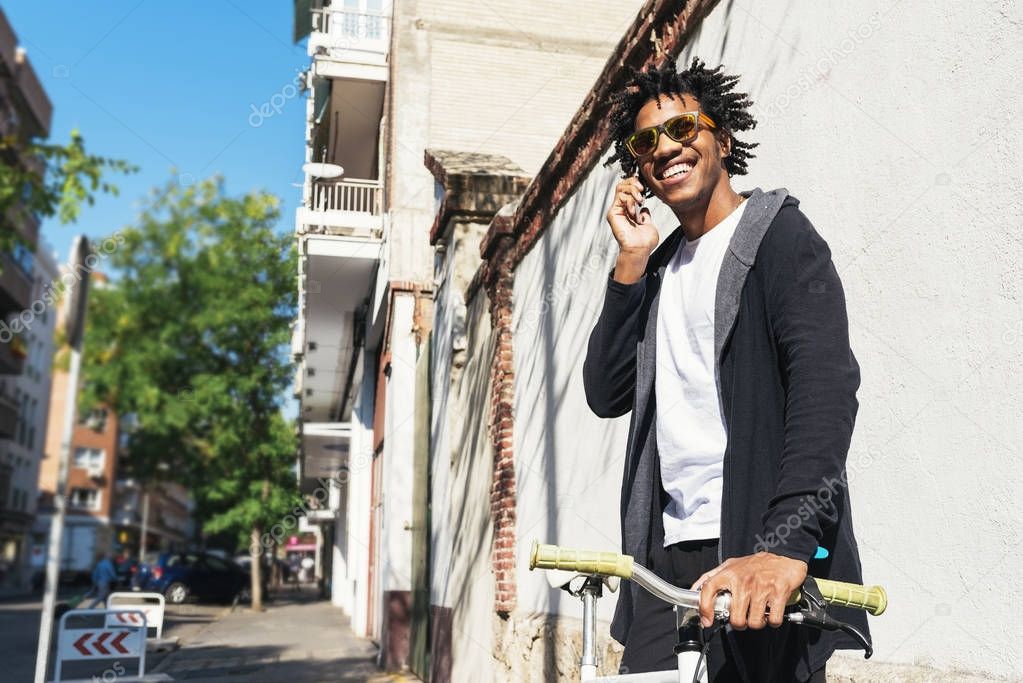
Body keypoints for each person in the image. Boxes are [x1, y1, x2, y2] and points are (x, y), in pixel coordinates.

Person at [583, 58, 869, 682]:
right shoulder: (655, 273)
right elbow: (606, 393)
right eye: (646, 141)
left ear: (723, 140)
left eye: (683, 127)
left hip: (758, 550)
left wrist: (784, 548)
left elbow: (827, 389)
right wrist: (630, 262)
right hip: (665, 561)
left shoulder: (779, 238)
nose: (666, 148)